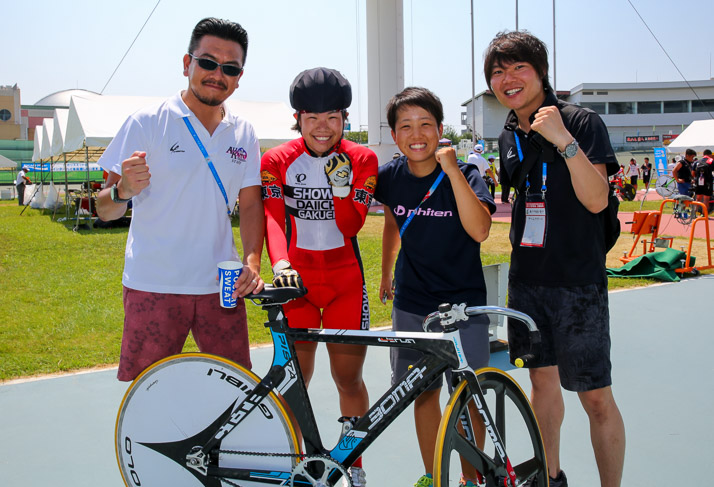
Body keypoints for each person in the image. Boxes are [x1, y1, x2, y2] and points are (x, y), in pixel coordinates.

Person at [485, 31, 625, 487]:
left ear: (541, 72)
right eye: (498, 71)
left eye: (518, 67)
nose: (508, 79)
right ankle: (550, 478)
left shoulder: (581, 122)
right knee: (541, 386)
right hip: (527, 282)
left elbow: (597, 200)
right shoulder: (507, 134)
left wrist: (563, 140)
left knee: (596, 399)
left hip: (578, 284)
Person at [96, 17, 265, 382]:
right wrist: (122, 190)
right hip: (153, 284)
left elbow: (251, 204)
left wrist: (252, 261)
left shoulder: (245, 132)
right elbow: (103, 209)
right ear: (187, 64)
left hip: (220, 287)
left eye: (229, 68)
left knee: (235, 391)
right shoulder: (146, 122)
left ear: (239, 77)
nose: (216, 74)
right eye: (207, 62)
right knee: (148, 392)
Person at [260, 67, 378, 487]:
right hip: (298, 281)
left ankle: (355, 467)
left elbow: (349, 228)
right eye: (312, 118)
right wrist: (280, 264)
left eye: (333, 118)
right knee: (296, 380)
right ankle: (295, 460)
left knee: (348, 378)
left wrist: (342, 190)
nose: (322, 128)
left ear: (345, 118)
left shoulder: (362, 158)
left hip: (345, 279)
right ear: (298, 119)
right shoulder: (276, 160)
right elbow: (273, 218)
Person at [375, 87, 495, 487]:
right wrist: (386, 272)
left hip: (463, 305)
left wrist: (453, 172)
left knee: (468, 399)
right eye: (405, 126)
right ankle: (435, 477)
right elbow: (393, 221)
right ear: (394, 135)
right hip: (412, 303)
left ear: (441, 129)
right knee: (420, 394)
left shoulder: (468, 173)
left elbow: (479, 229)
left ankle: (470, 478)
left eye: (426, 124)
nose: (417, 133)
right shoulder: (391, 176)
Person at [693, 149, 713, 213]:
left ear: (703, 155)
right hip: (708, 182)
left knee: (698, 198)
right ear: (710, 155)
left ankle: (694, 212)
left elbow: (693, 173)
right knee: (706, 199)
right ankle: (704, 214)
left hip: (699, 181)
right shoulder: (711, 161)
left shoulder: (697, 162)